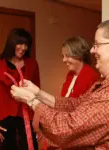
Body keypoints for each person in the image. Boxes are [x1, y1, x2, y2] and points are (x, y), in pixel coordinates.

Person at [10, 20, 109, 150]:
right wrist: (38, 93)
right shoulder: (101, 84)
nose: (92, 50)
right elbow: (75, 104)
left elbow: (65, 130)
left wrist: (31, 100)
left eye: (97, 44)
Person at [0, 28, 40, 150]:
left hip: (27, 116)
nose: (23, 48)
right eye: (20, 43)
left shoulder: (32, 64)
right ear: (12, 43)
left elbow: (38, 92)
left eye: (26, 44)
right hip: (4, 118)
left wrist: (37, 120)